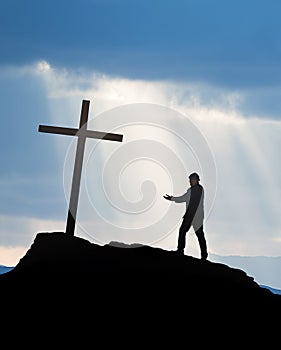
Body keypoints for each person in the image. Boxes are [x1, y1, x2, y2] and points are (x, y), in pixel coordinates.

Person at [163, 172, 208, 260]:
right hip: (192, 216)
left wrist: (172, 198)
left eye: (192, 180)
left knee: (195, 234)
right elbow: (183, 198)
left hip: (194, 217)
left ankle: (184, 251)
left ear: (197, 180)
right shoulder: (192, 190)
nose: (190, 182)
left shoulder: (198, 189)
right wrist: (172, 198)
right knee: (192, 233)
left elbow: (185, 199)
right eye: (190, 180)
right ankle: (182, 251)